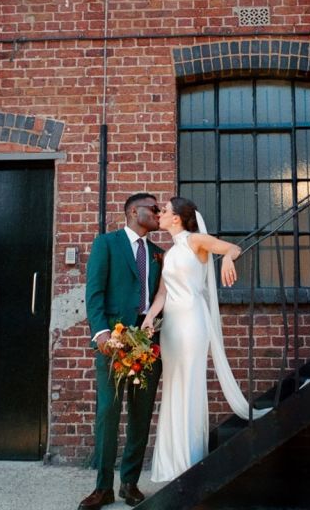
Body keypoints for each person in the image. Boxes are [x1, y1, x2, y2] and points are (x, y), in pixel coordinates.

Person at [141, 196, 271, 483]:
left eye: (164, 211)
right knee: (174, 387)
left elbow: (233, 248)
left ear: (176, 217)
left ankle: (189, 463)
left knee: (190, 384)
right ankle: (172, 465)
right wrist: (150, 318)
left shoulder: (195, 240)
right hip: (172, 326)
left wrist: (225, 259)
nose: (159, 214)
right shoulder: (170, 252)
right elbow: (162, 293)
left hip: (192, 322)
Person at [80, 193, 164, 510]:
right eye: (153, 209)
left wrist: (156, 326)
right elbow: (95, 290)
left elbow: (161, 298)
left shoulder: (158, 253)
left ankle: (129, 483)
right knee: (108, 413)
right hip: (113, 340)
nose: (158, 213)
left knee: (141, 415)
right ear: (133, 211)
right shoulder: (107, 244)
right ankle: (103, 488)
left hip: (147, 340)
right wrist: (100, 333)